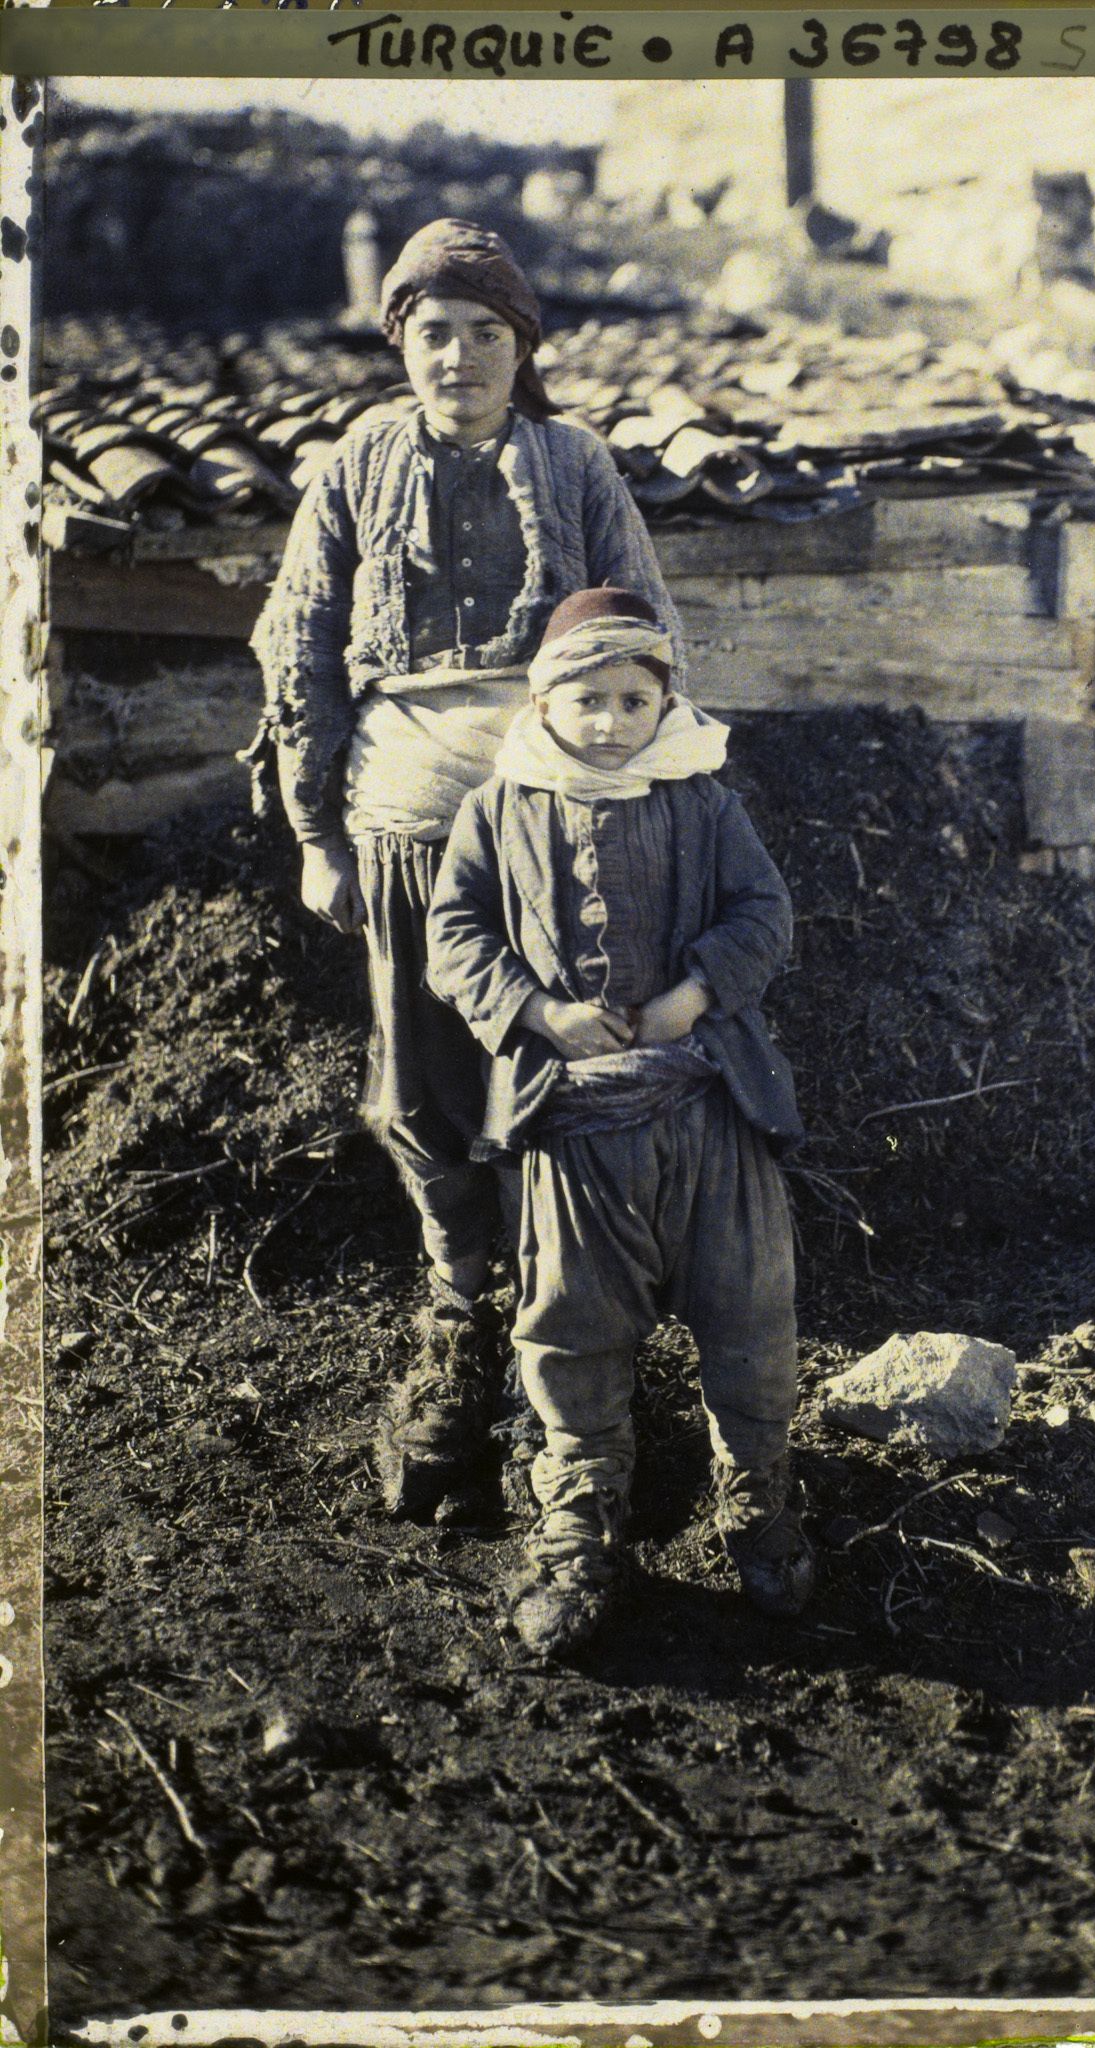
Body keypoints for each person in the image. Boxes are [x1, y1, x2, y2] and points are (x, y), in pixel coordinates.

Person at [248, 219, 683, 1527]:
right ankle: (458, 1324)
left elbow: (650, 636)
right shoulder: (357, 466)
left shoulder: (575, 463)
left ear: (521, 346)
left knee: (567, 1084)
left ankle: (581, 1361)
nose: (459, 356)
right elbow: (300, 650)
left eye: (485, 332)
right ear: (401, 346)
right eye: (432, 332)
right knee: (431, 1088)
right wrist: (320, 838)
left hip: (560, 836)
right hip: (408, 830)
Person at [425, 586, 814, 1657]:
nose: (608, 722)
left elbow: (764, 912)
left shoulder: (701, 799)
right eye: (586, 699)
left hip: (704, 1105)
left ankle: (758, 1508)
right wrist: (539, 1011)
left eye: (632, 700)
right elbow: (452, 935)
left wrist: (696, 992)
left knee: (748, 1316)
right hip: (575, 1126)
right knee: (569, 1329)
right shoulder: (499, 809)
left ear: (663, 703)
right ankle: (581, 1533)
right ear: (544, 701)